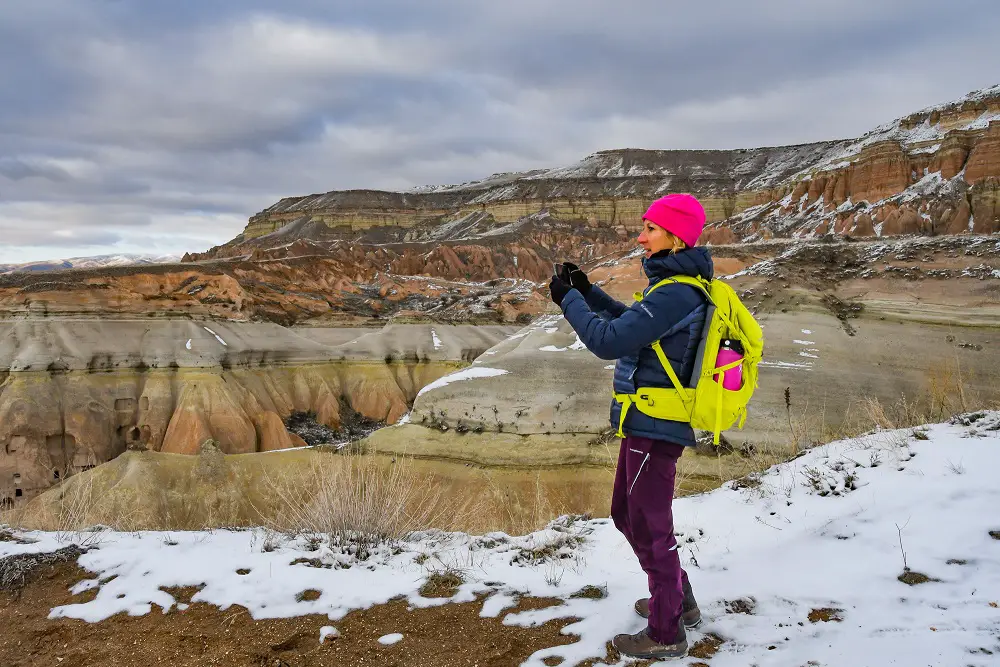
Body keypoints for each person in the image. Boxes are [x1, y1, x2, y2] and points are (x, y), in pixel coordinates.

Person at [549, 193, 711, 660]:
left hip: (656, 425)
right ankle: (678, 601)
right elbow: (632, 325)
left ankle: (666, 632)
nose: (640, 236)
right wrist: (588, 292)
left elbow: (608, 340)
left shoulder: (677, 291)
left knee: (649, 525)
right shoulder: (674, 288)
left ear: (676, 236)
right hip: (647, 422)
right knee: (627, 514)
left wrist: (568, 302)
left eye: (651, 229)